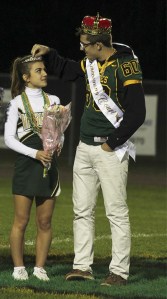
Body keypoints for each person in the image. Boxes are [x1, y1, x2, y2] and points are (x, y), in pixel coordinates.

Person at [31, 12, 146, 286]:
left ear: (98, 45)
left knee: (116, 212)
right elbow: (68, 69)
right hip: (84, 147)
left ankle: (118, 271)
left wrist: (112, 142)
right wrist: (49, 53)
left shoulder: (126, 65)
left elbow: (137, 113)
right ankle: (82, 266)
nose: (81, 49)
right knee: (82, 210)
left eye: (84, 45)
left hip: (109, 151)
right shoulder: (91, 63)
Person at [4, 55, 61, 281]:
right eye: (39, 71)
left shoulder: (54, 100)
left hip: (49, 165)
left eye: (44, 70)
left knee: (45, 221)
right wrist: (34, 153)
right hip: (27, 164)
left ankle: (40, 268)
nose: (44, 73)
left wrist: (58, 145)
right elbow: (9, 139)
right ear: (26, 77)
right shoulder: (16, 103)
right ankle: (19, 267)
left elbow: (60, 133)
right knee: (21, 220)